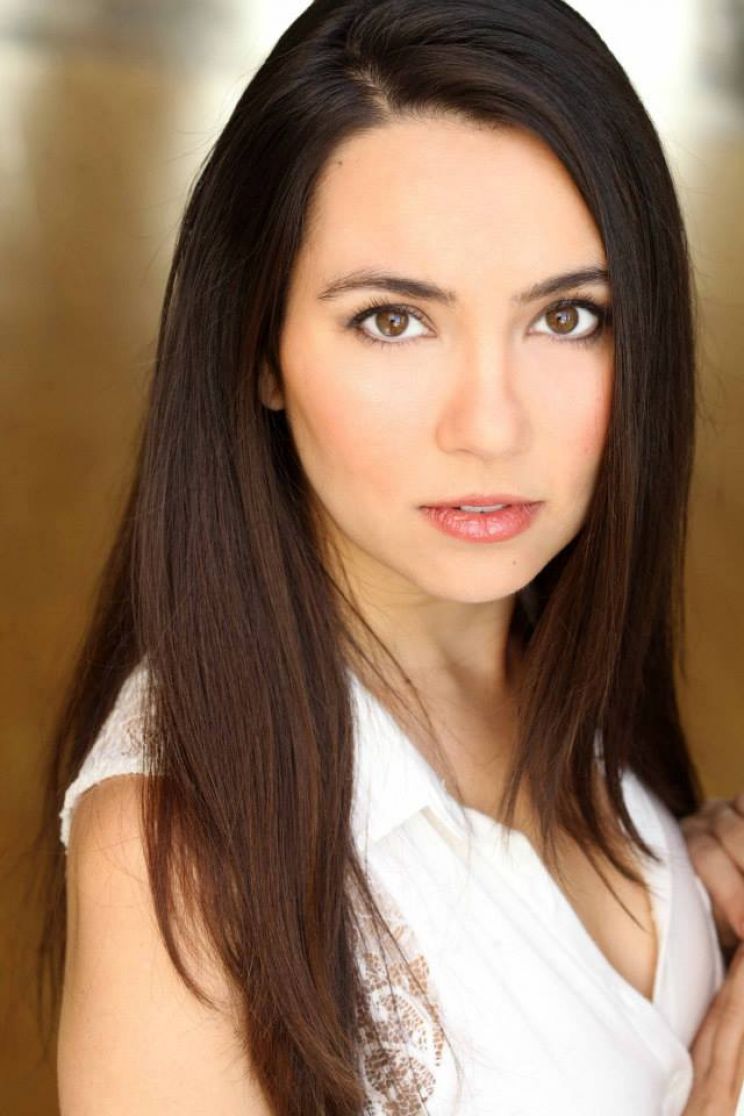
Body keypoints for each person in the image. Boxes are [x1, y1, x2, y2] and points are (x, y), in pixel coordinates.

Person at [31, 1, 744, 1113]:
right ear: (259, 350)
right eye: (392, 320)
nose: (490, 426)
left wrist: (697, 903)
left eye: (566, 317)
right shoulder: (180, 843)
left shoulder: (563, 670)